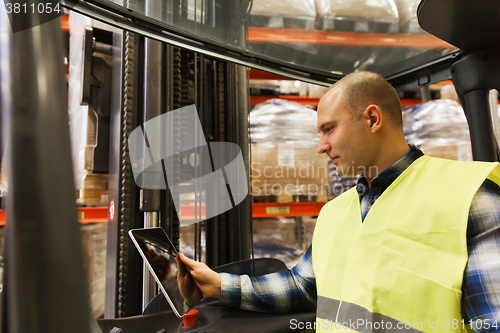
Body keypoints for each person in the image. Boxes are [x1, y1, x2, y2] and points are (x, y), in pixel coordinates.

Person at [177, 71, 500, 332]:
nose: (321, 146)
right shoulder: (335, 212)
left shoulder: (468, 197)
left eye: (329, 129)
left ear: (372, 119)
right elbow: (303, 287)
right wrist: (219, 285)